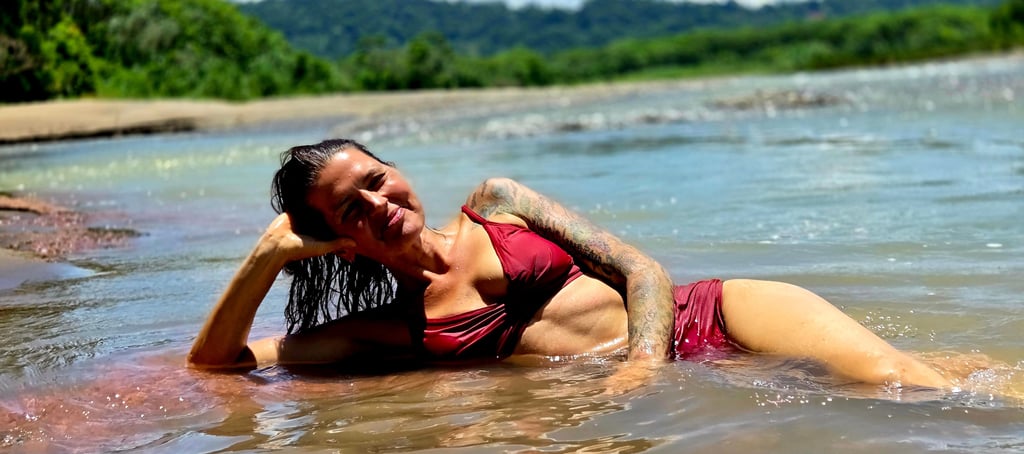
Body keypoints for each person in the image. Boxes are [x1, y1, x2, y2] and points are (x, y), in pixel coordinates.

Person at [188, 138, 952, 390]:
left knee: (906, 384)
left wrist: (646, 364)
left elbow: (642, 270)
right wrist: (265, 255)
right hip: (673, 370)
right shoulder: (387, 329)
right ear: (332, 240)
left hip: (711, 315)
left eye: (377, 180)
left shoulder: (499, 201)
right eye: (351, 209)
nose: (380, 204)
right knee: (942, 379)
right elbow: (218, 364)